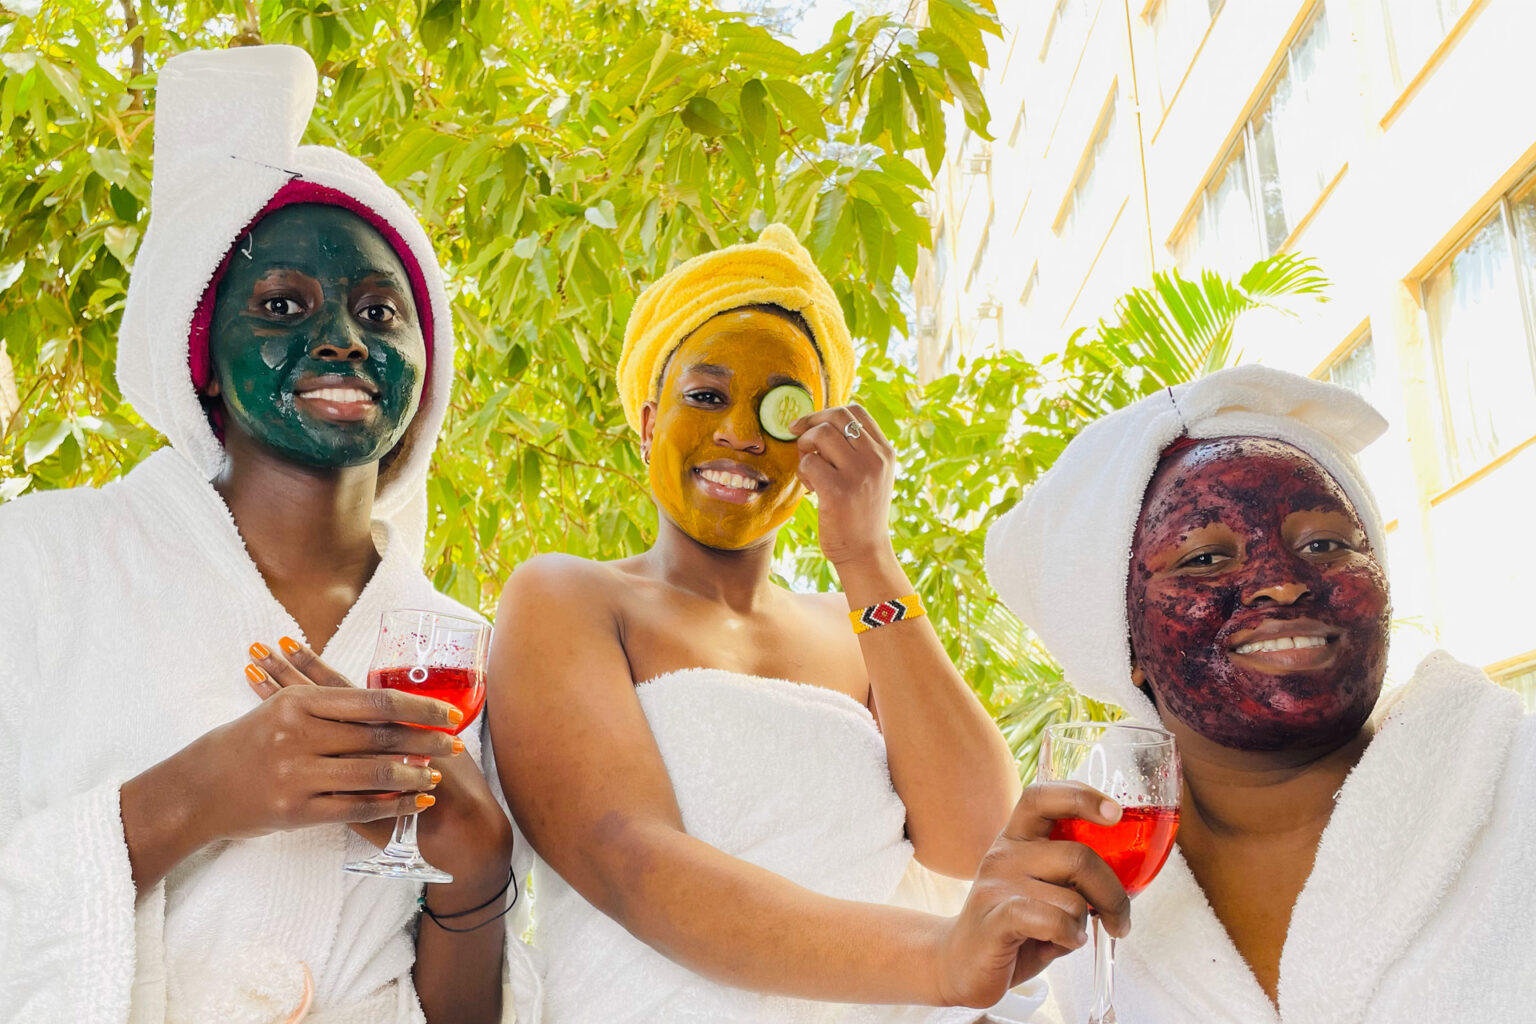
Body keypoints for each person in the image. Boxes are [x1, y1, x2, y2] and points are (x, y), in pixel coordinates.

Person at [488, 224, 1133, 1023]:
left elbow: (977, 842)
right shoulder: (566, 595)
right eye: (706, 395)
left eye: (778, 410)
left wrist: (866, 554)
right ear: (650, 424)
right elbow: (629, 861)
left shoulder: (858, 624)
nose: (740, 432)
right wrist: (939, 960)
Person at [0, 46, 513, 1023]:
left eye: (380, 311)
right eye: (283, 305)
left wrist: (477, 874)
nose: (345, 339)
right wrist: (196, 794)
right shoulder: (35, 563)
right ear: (201, 353)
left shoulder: (458, 649)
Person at [984, 365, 1536, 1022]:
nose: (1281, 582)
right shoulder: (1085, 881)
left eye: (1326, 544)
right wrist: (977, 991)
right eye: (1204, 558)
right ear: (1123, 643)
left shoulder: (1515, 788)